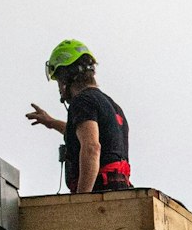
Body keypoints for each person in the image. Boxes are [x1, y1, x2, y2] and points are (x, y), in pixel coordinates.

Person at [25, 40, 132, 194]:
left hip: (99, 193)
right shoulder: (112, 106)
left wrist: (81, 201)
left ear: (66, 77)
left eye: (59, 81)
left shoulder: (82, 101)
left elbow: (92, 147)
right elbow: (86, 132)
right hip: (118, 192)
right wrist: (51, 122)